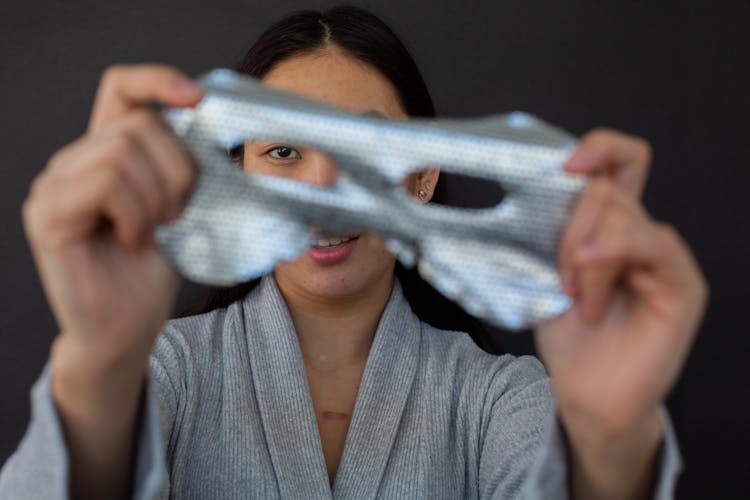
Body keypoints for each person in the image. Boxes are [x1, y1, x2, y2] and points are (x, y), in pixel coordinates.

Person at [0, 5, 706, 500]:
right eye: (282, 151)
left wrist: (608, 439)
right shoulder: (162, 371)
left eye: (366, 150)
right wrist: (98, 365)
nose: (322, 191)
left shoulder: (500, 398)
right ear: (238, 171)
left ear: (426, 173)